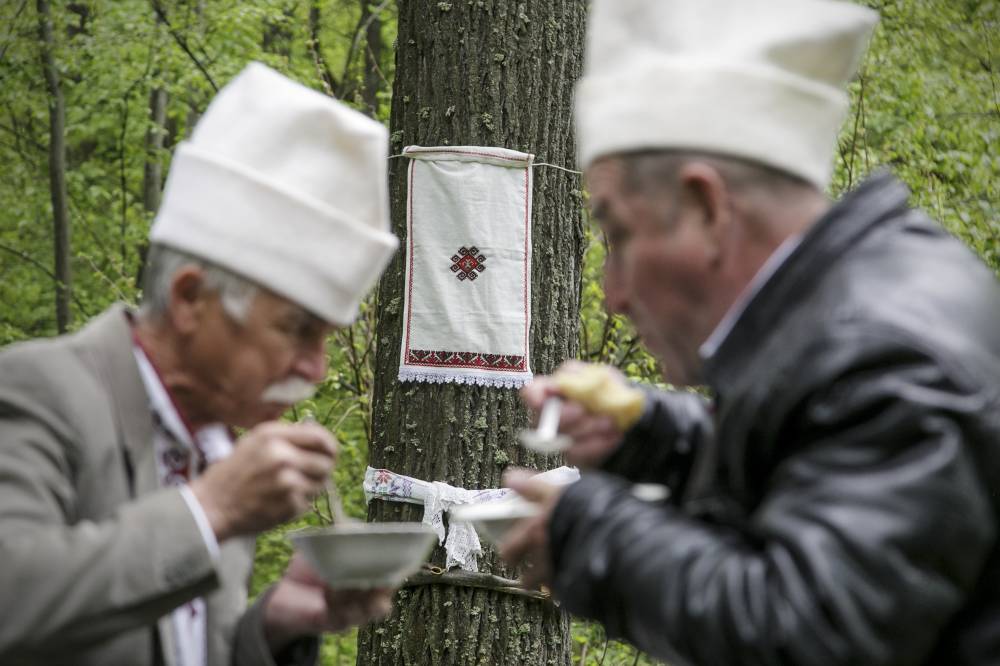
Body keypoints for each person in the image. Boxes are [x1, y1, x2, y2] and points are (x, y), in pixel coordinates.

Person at [500, 1, 1000, 664]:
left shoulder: (889, 354)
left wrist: (587, 531)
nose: (614, 296)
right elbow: (819, 456)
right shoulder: (870, 299)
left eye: (619, 235)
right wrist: (655, 436)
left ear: (708, 208)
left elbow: (806, 636)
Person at [0, 62, 399, 666]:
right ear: (191, 299)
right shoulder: (39, 390)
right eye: (297, 330)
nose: (315, 369)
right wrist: (209, 511)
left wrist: (274, 627)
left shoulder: (215, 450)